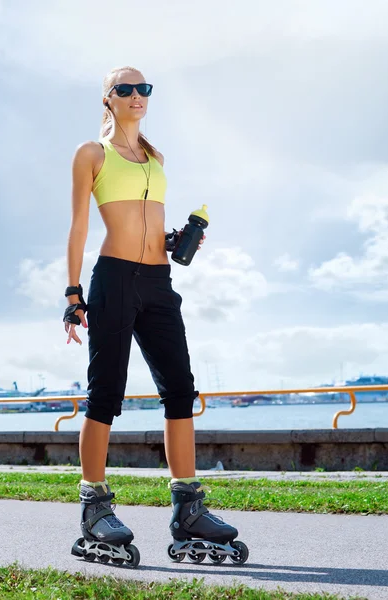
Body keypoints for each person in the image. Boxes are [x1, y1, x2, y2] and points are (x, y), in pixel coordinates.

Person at [64, 66, 247, 567]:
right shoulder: (92, 154)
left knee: (181, 390)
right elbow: (80, 225)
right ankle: (95, 508)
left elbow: (150, 221)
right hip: (115, 277)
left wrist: (175, 242)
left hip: (158, 279)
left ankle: (188, 508)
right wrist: (73, 292)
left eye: (144, 88)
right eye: (125, 88)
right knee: (106, 392)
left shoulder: (155, 156)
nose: (137, 95)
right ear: (108, 99)